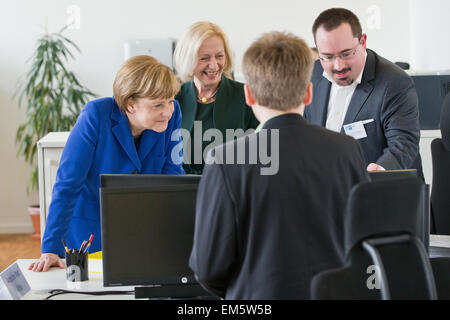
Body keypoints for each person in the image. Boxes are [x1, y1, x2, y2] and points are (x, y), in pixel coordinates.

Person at [189, 31, 368, 299]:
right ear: (309, 93)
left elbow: (208, 268)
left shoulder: (226, 159)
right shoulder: (347, 150)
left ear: (248, 95)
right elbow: (363, 240)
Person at [29, 55, 184, 272]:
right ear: (130, 104)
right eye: (158, 104)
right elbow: (68, 183)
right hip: (92, 233)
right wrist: (50, 249)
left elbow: (173, 177)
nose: (167, 111)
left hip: (144, 230)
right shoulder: (95, 116)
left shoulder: (172, 114)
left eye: (170, 101)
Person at [304, 8, 423, 178]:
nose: (338, 66)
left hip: (380, 192)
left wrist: (380, 173)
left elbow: (404, 143)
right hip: (328, 192)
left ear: (363, 42)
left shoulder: (394, 82)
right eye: (328, 57)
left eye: (346, 54)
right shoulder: (312, 75)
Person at [173, 21, 259, 174]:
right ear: (188, 59)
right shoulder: (173, 98)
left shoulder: (247, 96)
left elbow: (259, 157)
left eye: (219, 56)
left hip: (231, 191)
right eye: (204, 58)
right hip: (179, 192)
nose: (214, 65)